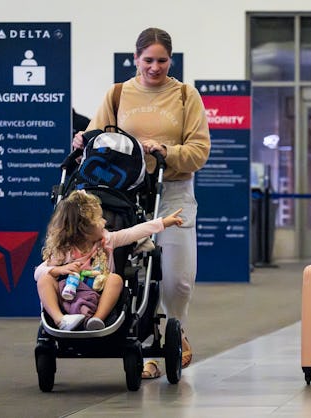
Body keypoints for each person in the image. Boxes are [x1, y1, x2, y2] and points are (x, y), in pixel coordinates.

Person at [72, 27, 211, 377]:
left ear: (171, 60)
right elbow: (97, 139)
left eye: (162, 60)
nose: (154, 67)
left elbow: (199, 151)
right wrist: (82, 139)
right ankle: (146, 346)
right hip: (126, 195)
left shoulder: (185, 96)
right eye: (147, 60)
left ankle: (176, 331)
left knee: (178, 279)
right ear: (135, 59)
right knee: (137, 275)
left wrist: (166, 151)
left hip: (173, 190)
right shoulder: (118, 94)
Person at [34, 190, 184, 331]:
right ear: (84, 229)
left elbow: (133, 232)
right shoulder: (65, 249)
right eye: (99, 219)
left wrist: (163, 222)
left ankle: (97, 320)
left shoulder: (108, 240)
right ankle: (60, 320)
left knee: (115, 279)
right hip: (70, 297)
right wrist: (58, 270)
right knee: (44, 279)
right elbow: (39, 272)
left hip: (100, 296)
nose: (105, 221)